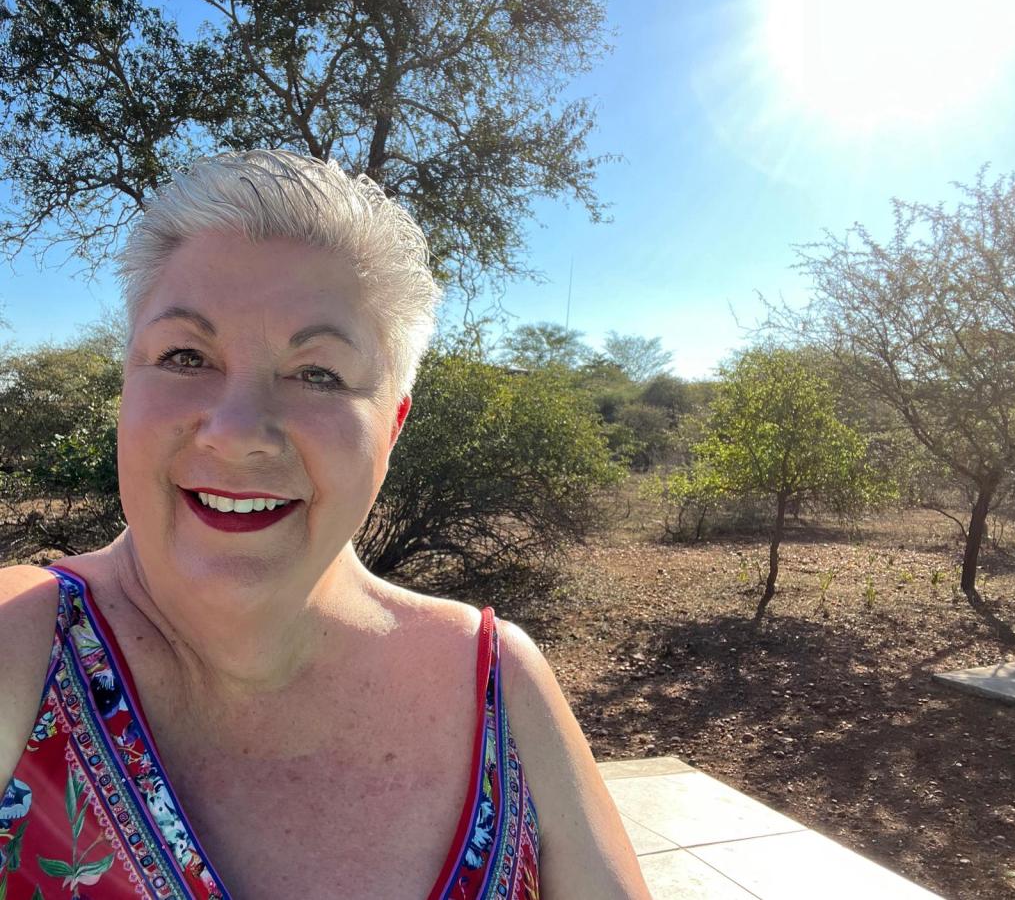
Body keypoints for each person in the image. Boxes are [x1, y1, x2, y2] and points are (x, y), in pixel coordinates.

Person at [0, 150, 652, 899]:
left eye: (317, 374)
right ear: (126, 389)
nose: (238, 433)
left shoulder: (503, 686)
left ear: (392, 427)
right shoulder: (20, 647)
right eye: (185, 356)